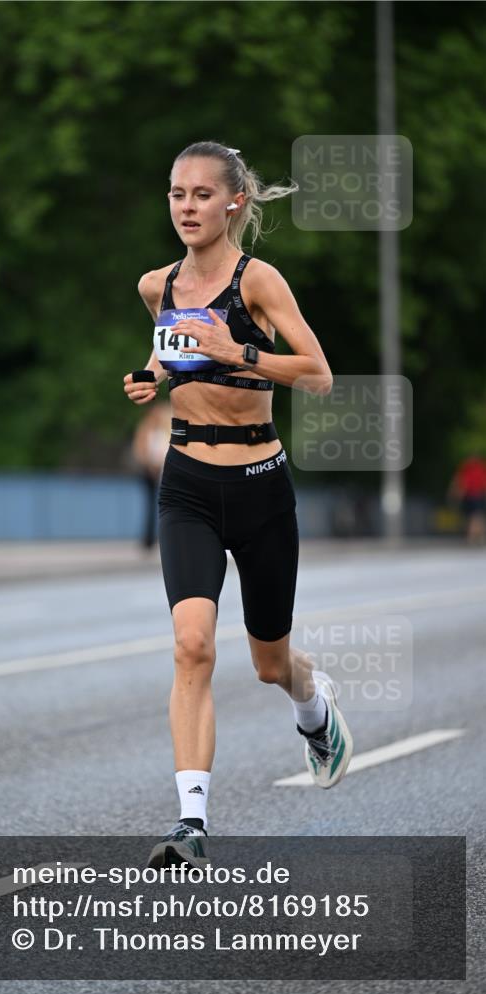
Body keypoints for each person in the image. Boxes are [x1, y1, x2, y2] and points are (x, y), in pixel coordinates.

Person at [123, 141, 353, 868]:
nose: (185, 207)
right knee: (191, 646)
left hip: (260, 487)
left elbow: (317, 376)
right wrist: (153, 375)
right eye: (175, 193)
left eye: (199, 195)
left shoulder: (259, 282)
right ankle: (191, 821)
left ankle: (312, 706)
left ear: (233, 203)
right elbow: (171, 350)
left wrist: (237, 354)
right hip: (187, 484)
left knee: (268, 663)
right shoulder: (155, 285)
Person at [131, 400, 173, 549]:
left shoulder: (165, 429)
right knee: (150, 505)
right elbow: (139, 449)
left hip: (163, 470)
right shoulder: (145, 429)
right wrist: (148, 465)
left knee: (166, 504)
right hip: (149, 471)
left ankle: (164, 536)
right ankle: (148, 539)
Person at [448, 453, 486, 545]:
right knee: (476, 516)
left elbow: (460, 482)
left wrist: (456, 494)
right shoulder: (476, 468)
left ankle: (474, 536)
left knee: (474, 516)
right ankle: (475, 536)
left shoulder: (467, 468)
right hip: (476, 495)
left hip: (473, 495)